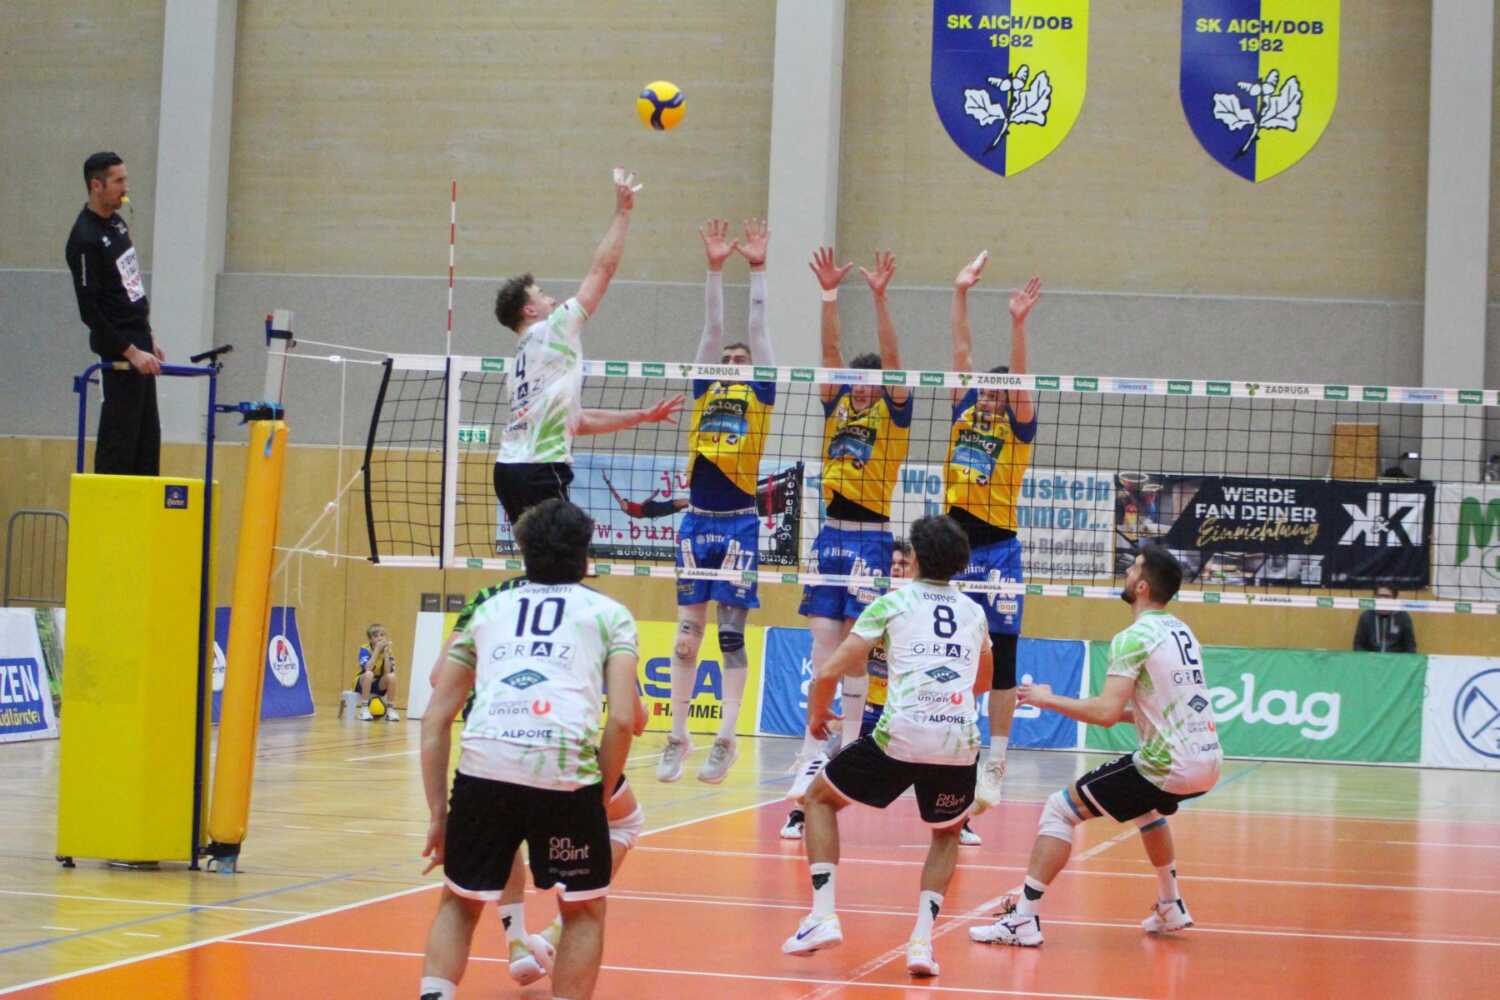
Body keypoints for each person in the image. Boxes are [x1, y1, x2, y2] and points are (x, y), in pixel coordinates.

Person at [417, 499, 640, 1000]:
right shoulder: (611, 615)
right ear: (586, 555)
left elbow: (435, 718)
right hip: (564, 771)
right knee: (582, 910)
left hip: (484, 766)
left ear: (523, 553)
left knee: (459, 901)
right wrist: (597, 795)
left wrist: (437, 814)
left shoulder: (488, 610)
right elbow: (624, 720)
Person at [969, 545, 1221, 948]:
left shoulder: (1133, 638)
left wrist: (1047, 699)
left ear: (1142, 586)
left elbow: (1105, 713)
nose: (1127, 572)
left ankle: (1024, 920)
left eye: (1133, 568)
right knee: (1145, 808)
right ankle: (1170, 904)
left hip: (1169, 764)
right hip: (1207, 759)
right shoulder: (1181, 632)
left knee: (1059, 808)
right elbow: (1144, 712)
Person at [783, 515, 993, 978]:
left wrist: (818, 714)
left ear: (914, 558)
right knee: (946, 833)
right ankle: (921, 943)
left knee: (817, 799)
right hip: (959, 739)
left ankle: (822, 915)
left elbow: (829, 672)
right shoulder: (974, 613)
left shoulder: (892, 602)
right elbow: (982, 683)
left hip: (902, 733)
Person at [784, 247, 914, 793]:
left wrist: (880, 297)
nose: (862, 385)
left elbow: (894, 359)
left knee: (856, 646)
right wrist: (829, 293)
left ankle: (854, 744)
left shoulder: (893, 412)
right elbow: (831, 350)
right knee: (822, 642)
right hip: (830, 535)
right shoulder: (837, 402)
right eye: (857, 379)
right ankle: (812, 748)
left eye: (870, 380)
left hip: (870, 537)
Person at [492, 168, 684, 527]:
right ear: (529, 310)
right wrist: (623, 213)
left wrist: (642, 416)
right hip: (540, 469)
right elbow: (602, 271)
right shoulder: (553, 329)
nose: (552, 299)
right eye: (542, 295)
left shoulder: (523, 362)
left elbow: (578, 422)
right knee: (565, 554)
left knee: (544, 555)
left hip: (509, 469)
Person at [656, 218, 774, 785]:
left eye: (739, 361)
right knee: (685, 642)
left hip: (739, 525)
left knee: (730, 636)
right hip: (696, 522)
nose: (731, 365)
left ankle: (725, 739)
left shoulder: (761, 392)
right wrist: (713, 268)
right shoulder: (705, 390)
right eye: (726, 361)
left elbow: (757, 327)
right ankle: (677, 736)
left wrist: (757, 269)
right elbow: (712, 328)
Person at [781, 543, 985, 845]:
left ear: (914, 566)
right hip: (872, 711)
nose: (898, 569)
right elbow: (844, 666)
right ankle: (799, 813)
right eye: (893, 564)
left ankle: (959, 822)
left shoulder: (925, 613)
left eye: (903, 563)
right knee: (832, 753)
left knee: (944, 758)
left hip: (912, 713)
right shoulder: (878, 608)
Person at [945, 252, 1042, 815]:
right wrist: (961, 292)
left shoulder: (1017, 428)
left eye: (996, 391)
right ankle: (960, 747)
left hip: (1001, 549)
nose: (987, 394)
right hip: (954, 551)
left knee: (1003, 656)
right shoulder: (963, 411)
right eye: (983, 389)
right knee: (957, 653)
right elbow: (961, 351)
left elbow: (1022, 382)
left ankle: (997, 762)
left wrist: (1017, 323)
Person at [66, 152, 165, 476]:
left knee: (147, 440)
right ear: (97, 185)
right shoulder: (85, 238)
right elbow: (90, 312)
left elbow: (131, 287)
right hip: (119, 353)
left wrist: (148, 336)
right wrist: (131, 351)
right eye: (119, 181)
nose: (126, 187)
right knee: (120, 442)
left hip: (140, 341)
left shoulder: (118, 224)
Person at [353, 623, 401, 721]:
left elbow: (388, 672)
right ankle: (364, 709)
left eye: (382, 635)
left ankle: (390, 710)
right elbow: (368, 668)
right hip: (362, 682)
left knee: (392, 676)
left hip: (378, 684)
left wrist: (386, 654)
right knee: (369, 674)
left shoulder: (388, 651)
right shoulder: (364, 649)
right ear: (370, 639)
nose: (380, 638)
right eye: (376, 636)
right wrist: (377, 650)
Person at [1352, 586, 1417, 653]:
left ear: (1394, 599)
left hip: (1396, 658)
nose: (1382, 599)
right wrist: (1368, 656)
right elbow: (1358, 645)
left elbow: (1410, 646)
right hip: (1371, 657)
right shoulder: (1366, 616)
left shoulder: (1403, 616)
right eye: (1379, 596)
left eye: (1387, 596)